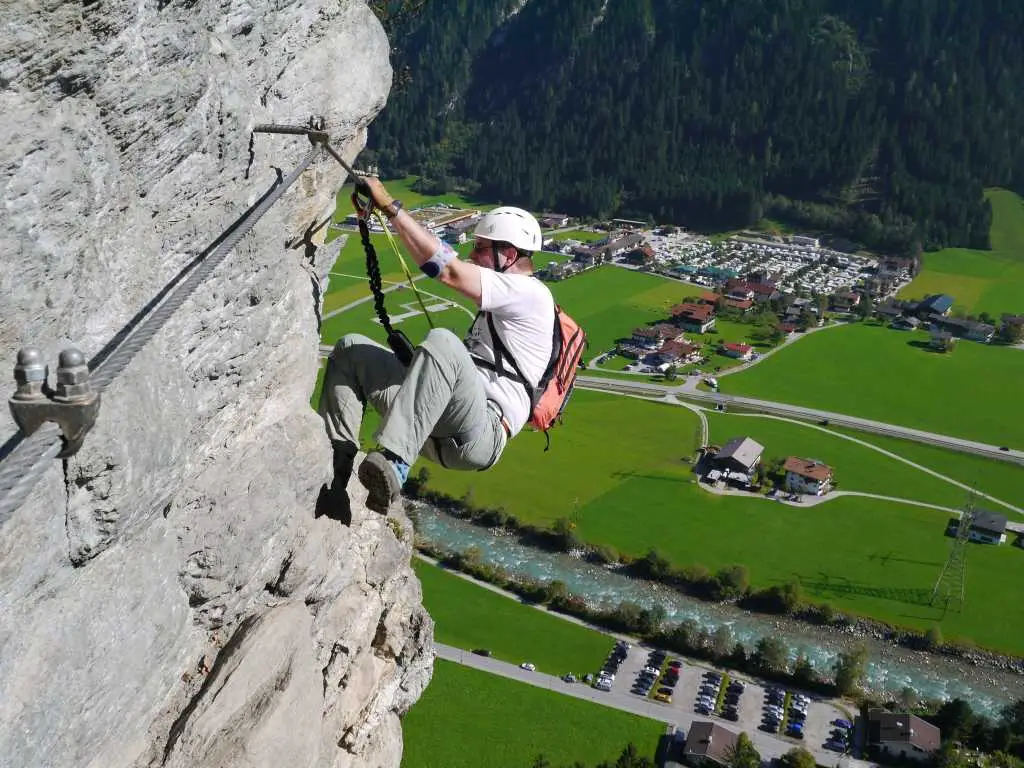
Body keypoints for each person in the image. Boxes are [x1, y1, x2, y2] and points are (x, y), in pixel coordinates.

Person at [318, 176, 555, 515]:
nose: (472, 254)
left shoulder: (532, 294)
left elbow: (449, 272)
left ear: (510, 254)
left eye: (481, 248)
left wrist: (390, 207)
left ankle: (395, 462)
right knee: (350, 350)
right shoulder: (507, 303)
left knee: (443, 340)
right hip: (443, 425)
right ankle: (336, 470)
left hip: (480, 431)